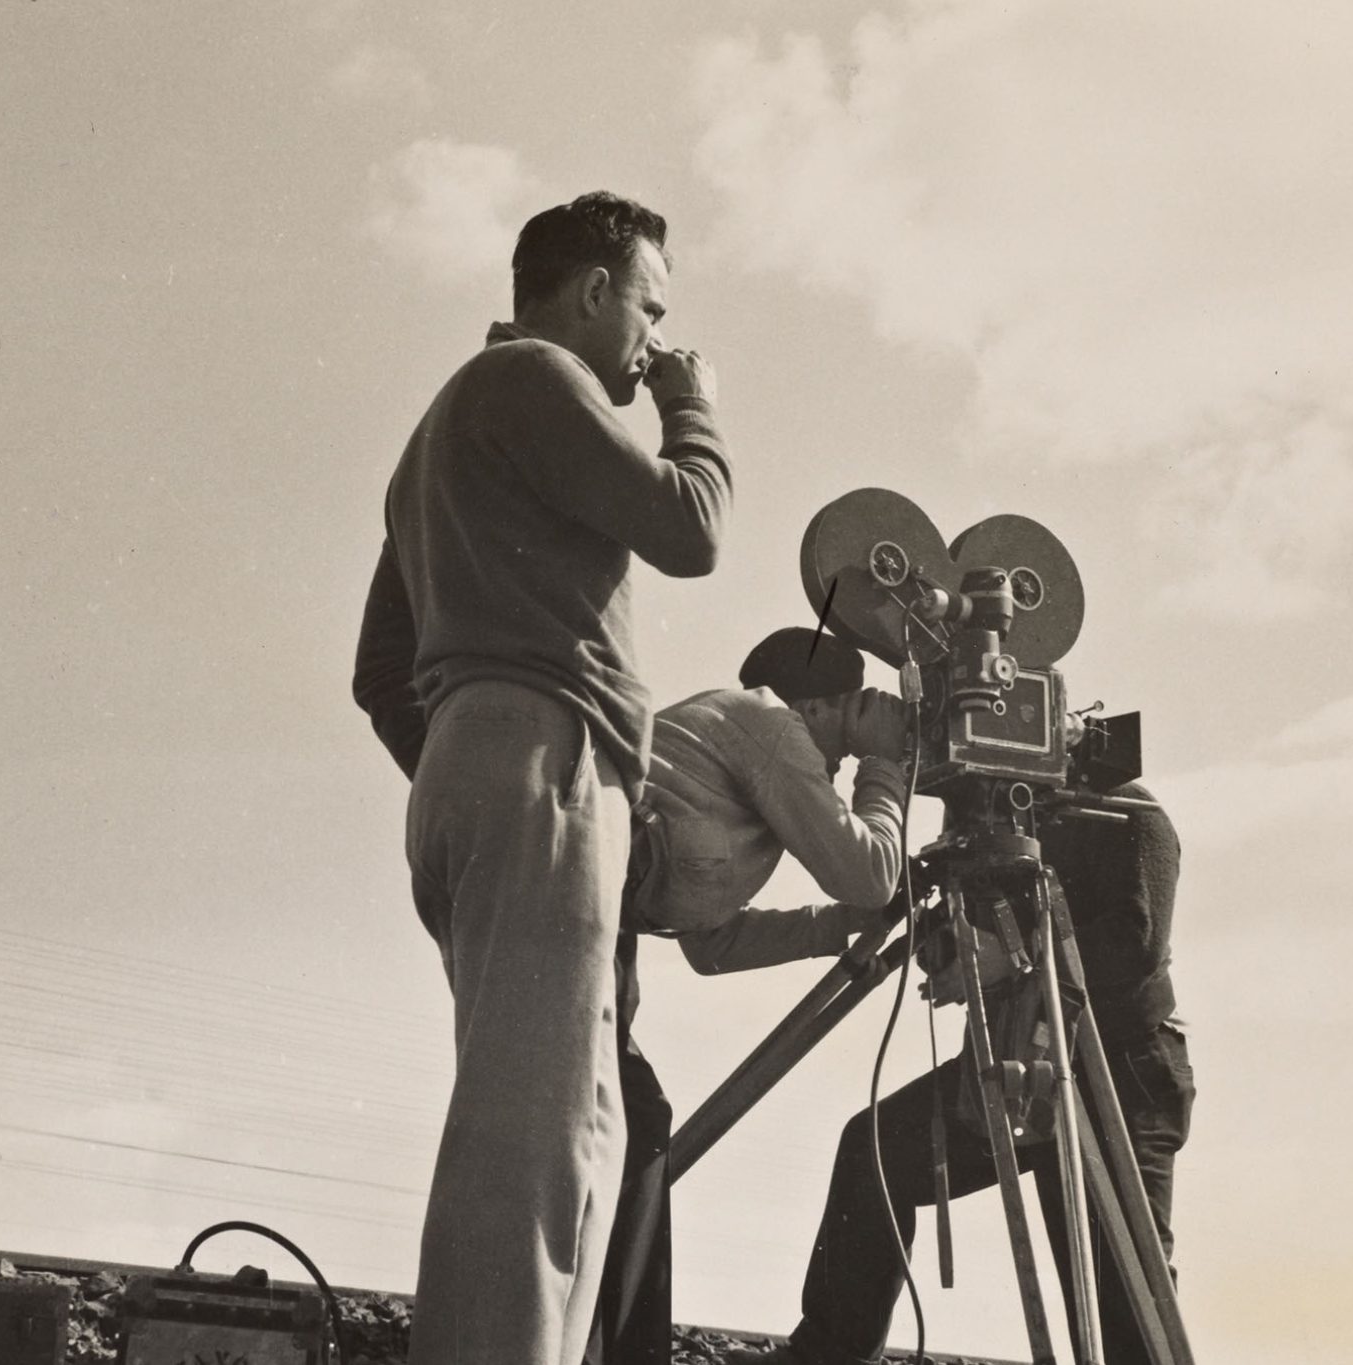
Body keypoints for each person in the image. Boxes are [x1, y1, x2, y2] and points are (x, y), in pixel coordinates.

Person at [351, 190, 732, 1365]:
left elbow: (378, 675)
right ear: (593, 291)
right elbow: (691, 528)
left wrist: (475, 761)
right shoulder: (535, 380)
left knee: (568, 1132)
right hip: (541, 756)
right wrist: (691, 404)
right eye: (649, 310)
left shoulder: (440, 439)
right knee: (538, 1147)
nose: (652, 341)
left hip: (485, 760)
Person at [733, 774, 1194, 1365]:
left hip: (1122, 1071)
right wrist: (953, 946)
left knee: (1123, 1288)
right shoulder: (1004, 821)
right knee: (876, 1150)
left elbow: (1138, 941)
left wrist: (1012, 959)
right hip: (1021, 1059)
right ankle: (829, 1353)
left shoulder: (1129, 812)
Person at [587, 626, 912, 1365]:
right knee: (629, 1127)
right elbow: (870, 873)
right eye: (841, 742)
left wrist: (835, 929)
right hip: (577, 910)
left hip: (602, 927)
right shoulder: (768, 722)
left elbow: (712, 944)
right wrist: (886, 764)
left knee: (631, 1127)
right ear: (820, 708)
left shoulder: (736, 770)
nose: (834, 768)